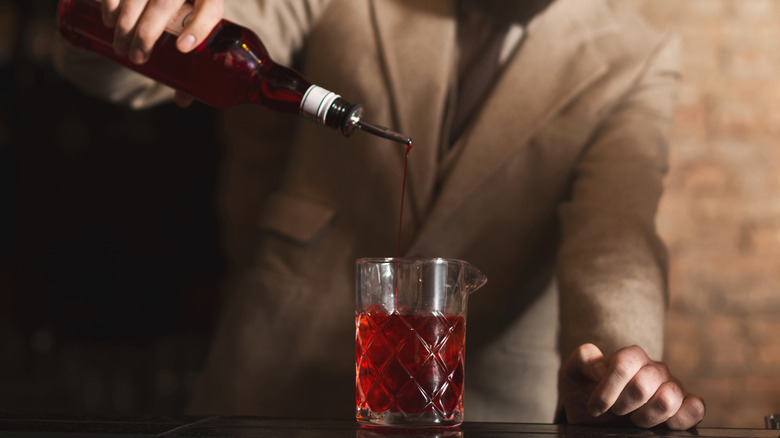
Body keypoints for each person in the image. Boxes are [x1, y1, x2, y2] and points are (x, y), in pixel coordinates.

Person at [53, 0, 706, 429]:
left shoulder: (636, 56)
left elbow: (616, 235)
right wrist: (132, 20)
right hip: (268, 395)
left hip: (482, 415)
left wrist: (618, 366)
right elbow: (170, 54)